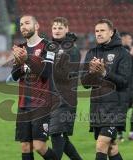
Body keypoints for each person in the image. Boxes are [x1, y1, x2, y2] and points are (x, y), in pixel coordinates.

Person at [81, 19, 131, 160]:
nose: (99, 33)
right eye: (97, 31)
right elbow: (85, 83)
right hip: (97, 107)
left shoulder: (123, 53)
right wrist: (92, 73)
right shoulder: (92, 53)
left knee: (101, 145)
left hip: (116, 107)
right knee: (111, 148)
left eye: (102, 30)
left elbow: (124, 82)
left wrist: (104, 73)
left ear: (111, 32)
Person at [11, 15, 57, 160]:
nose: (23, 26)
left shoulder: (49, 46)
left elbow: (46, 73)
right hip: (23, 103)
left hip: (41, 104)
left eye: (27, 23)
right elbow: (14, 75)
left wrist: (27, 59)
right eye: (21, 24)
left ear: (36, 26)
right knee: (25, 146)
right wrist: (19, 62)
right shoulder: (20, 47)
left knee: (39, 146)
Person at [49, 17, 82, 160]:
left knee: (56, 134)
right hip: (52, 99)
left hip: (65, 100)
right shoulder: (51, 47)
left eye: (60, 28)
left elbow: (67, 74)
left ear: (67, 29)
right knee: (61, 137)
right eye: (55, 28)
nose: (57, 30)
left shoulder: (73, 50)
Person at [118, 32, 133, 142]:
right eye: (129, 38)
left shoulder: (130, 49)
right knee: (122, 110)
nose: (131, 40)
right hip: (122, 85)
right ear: (123, 38)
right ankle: (119, 134)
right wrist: (131, 55)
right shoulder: (118, 50)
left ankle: (132, 133)